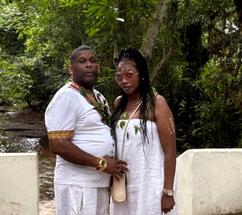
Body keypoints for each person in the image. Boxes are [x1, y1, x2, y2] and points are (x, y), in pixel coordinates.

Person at [45, 45, 128, 215]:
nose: (89, 64)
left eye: (92, 61)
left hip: (98, 182)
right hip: (78, 185)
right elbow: (58, 144)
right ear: (71, 69)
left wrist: (109, 170)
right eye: (82, 61)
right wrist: (102, 164)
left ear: (98, 67)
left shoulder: (98, 96)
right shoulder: (66, 96)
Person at [110, 47, 178, 215]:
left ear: (141, 74)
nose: (124, 80)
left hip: (150, 185)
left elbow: (170, 152)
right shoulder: (119, 104)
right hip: (124, 185)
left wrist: (168, 192)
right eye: (119, 77)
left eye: (129, 74)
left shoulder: (157, 103)